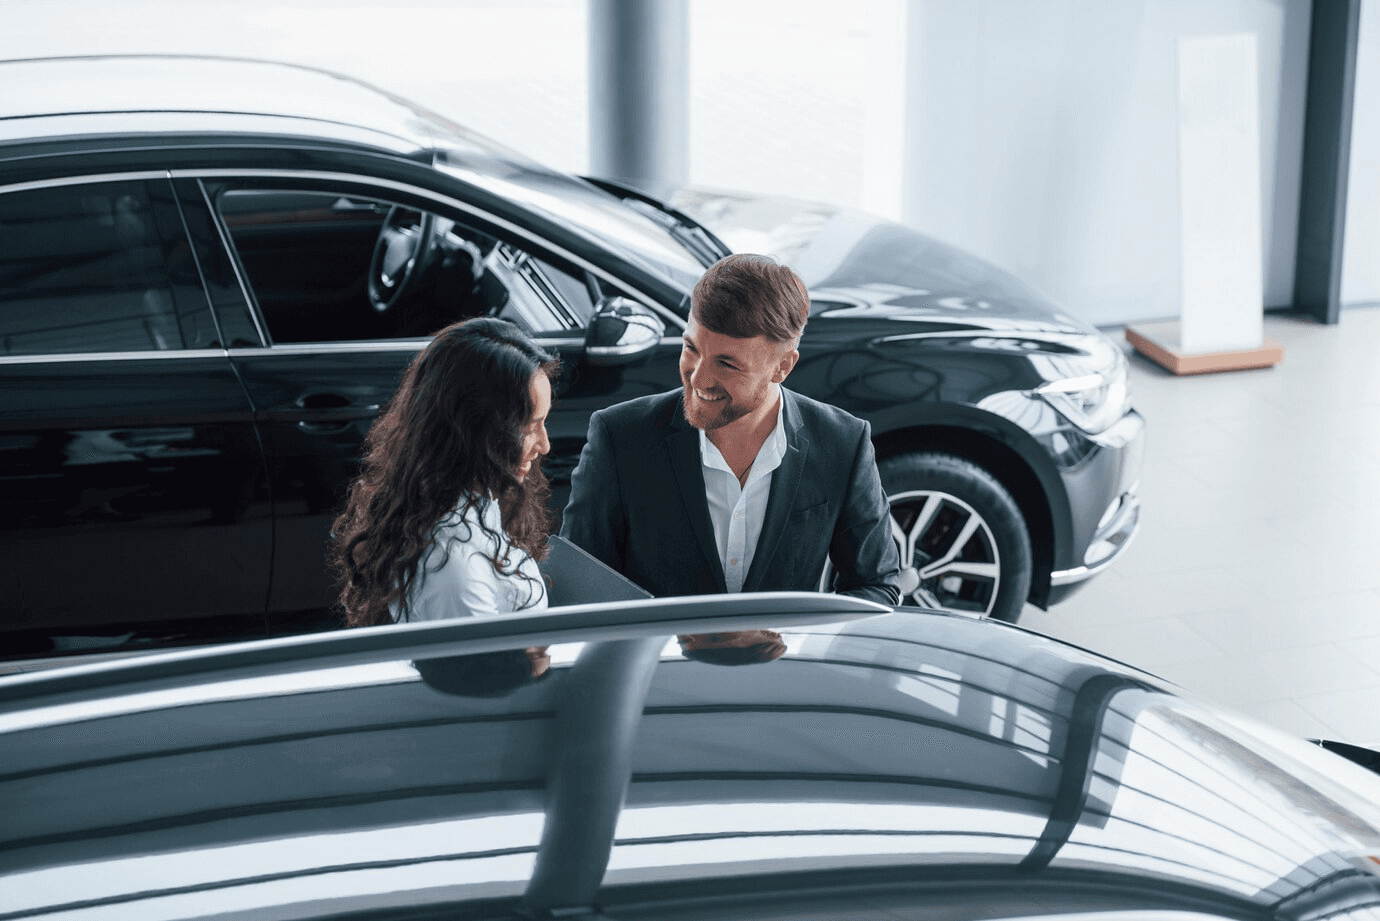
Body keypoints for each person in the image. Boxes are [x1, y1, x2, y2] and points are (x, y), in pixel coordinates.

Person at [560, 253, 900, 605]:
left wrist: (792, 638)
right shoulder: (619, 438)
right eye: (691, 348)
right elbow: (576, 590)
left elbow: (876, 586)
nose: (698, 378)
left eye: (727, 363)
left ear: (782, 366)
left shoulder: (843, 443)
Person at [332, 317, 557, 625]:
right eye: (531, 427)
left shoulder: (461, 508)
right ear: (477, 430)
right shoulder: (455, 567)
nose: (544, 445)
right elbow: (486, 671)